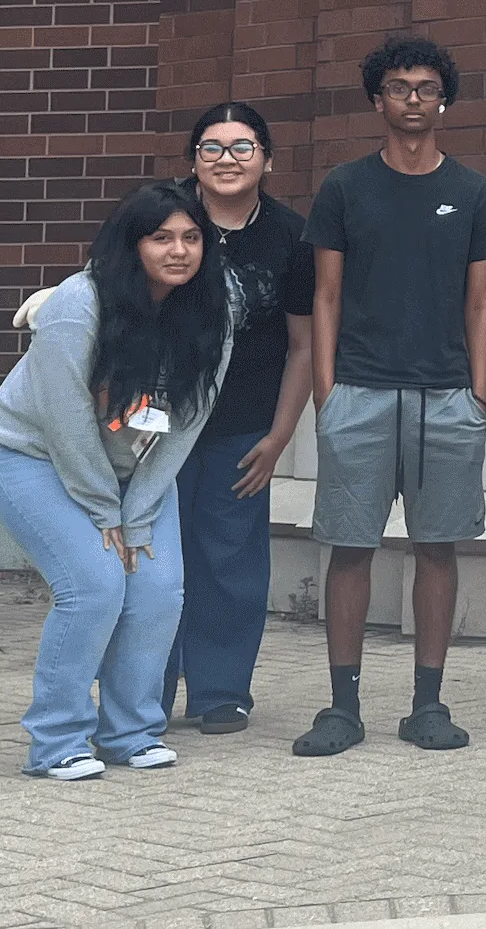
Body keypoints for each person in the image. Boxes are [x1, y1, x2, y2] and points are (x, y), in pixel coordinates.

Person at [296, 35, 486, 757]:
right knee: (350, 549)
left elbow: (482, 303)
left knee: (436, 547)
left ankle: (428, 705)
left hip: (447, 396)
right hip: (358, 391)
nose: (413, 100)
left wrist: (480, 395)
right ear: (376, 99)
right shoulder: (344, 187)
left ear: (444, 100)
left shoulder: (473, 193)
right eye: (398, 88)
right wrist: (327, 396)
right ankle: (342, 709)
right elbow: (325, 296)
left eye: (426, 88)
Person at [0, 181, 236, 780]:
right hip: (38, 460)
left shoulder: (214, 309)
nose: (179, 251)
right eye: (161, 238)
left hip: (139, 474)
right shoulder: (79, 303)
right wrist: (106, 512)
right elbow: (65, 419)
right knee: (95, 587)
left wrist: (139, 512)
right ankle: (56, 742)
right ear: (133, 245)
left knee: (158, 592)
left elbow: (187, 422)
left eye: (192, 237)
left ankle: (129, 732)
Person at [159, 102, 311, 737]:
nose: (227, 159)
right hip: (158, 423)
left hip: (245, 426)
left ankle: (221, 692)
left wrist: (279, 437)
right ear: (193, 159)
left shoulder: (291, 236)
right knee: (156, 555)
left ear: (267, 160)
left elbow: (303, 345)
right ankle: (143, 692)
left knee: (230, 559)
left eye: (243, 147)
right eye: (212, 147)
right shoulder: (161, 217)